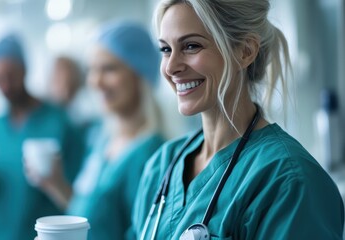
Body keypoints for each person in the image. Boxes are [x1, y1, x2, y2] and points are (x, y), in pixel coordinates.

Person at [132, 1, 345, 239]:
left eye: (191, 46)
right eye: (165, 50)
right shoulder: (162, 166)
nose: (171, 67)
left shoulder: (289, 180)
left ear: (245, 52)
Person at [29, 21, 165, 240]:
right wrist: (56, 184)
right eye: (91, 70)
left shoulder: (151, 156)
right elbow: (95, 217)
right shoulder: (102, 140)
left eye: (109, 69)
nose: (95, 81)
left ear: (140, 74)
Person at [0, 34, 84, 240]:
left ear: (24, 69)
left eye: (10, 76)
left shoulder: (59, 122)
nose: (5, 85)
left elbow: (81, 196)